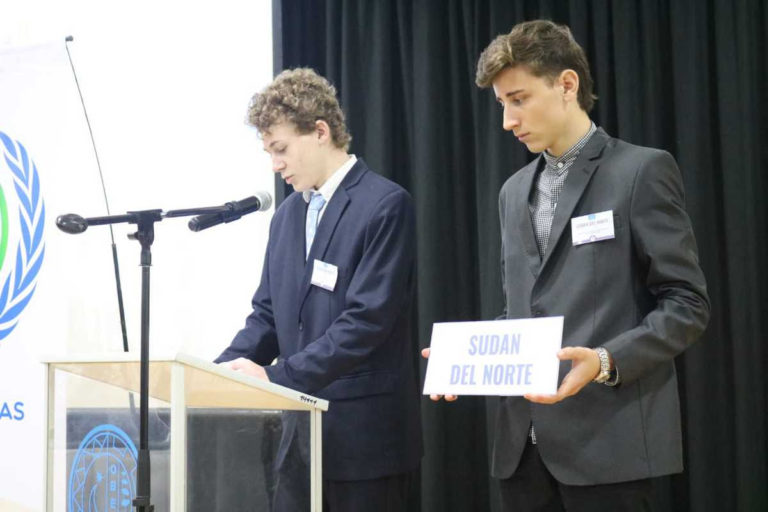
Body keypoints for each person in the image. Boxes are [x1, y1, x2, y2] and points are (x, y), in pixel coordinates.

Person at [426, 20, 709, 511]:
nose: (508, 121)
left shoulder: (640, 171)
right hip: (521, 454)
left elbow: (687, 305)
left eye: (519, 99)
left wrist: (603, 361)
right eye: (501, 105)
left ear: (567, 84)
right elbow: (523, 311)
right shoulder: (512, 191)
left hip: (609, 448)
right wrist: (466, 361)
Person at [216, 68, 421, 511]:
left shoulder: (384, 205)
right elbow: (267, 316)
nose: (275, 164)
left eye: (281, 149)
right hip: (298, 445)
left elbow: (366, 322)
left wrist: (274, 376)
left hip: (365, 444)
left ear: (321, 132)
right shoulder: (287, 216)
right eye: (269, 151)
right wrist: (218, 372)